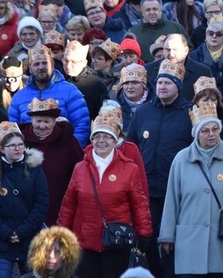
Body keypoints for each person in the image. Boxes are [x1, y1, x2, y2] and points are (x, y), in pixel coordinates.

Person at [158, 101, 223, 277]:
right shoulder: (181, 160)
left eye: (215, 129)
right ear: (196, 134)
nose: (211, 134)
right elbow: (172, 199)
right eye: (205, 130)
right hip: (189, 244)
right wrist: (167, 235)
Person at [57, 110, 152, 278]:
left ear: (115, 141)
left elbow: (139, 204)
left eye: (107, 137)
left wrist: (144, 232)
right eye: (97, 136)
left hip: (116, 242)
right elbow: (68, 205)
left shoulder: (129, 169)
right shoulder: (80, 168)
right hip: (84, 242)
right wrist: (61, 233)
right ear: (91, 140)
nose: (101, 141)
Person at [126, 60, 193, 278]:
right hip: (146, 192)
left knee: (173, 244)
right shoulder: (143, 112)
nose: (162, 87)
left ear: (178, 87)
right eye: (160, 82)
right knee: (148, 241)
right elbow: (130, 147)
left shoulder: (190, 114)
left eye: (168, 83)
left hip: (177, 193)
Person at [0, 121, 48, 278]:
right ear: (2, 148)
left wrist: (22, 231)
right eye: (12, 145)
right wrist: (6, 233)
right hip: (0, 241)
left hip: (30, 240)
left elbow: (41, 204)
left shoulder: (34, 169)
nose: (18, 148)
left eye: (20, 144)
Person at [19, 98, 84, 228]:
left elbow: (80, 174)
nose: (42, 126)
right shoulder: (19, 142)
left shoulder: (69, 142)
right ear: (32, 121)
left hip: (60, 207)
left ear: (55, 121)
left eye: (47, 121)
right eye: (38, 121)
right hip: (25, 209)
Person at [8, 46, 90, 146]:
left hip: (62, 152)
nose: (41, 67)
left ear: (52, 65)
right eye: (36, 64)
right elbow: (13, 130)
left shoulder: (70, 91)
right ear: (30, 68)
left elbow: (82, 125)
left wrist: (72, 151)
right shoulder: (19, 97)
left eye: (45, 63)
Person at [188, 16, 223, 112]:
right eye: (211, 33)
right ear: (206, 36)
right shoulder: (193, 57)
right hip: (200, 107)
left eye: (218, 34)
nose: (214, 36)